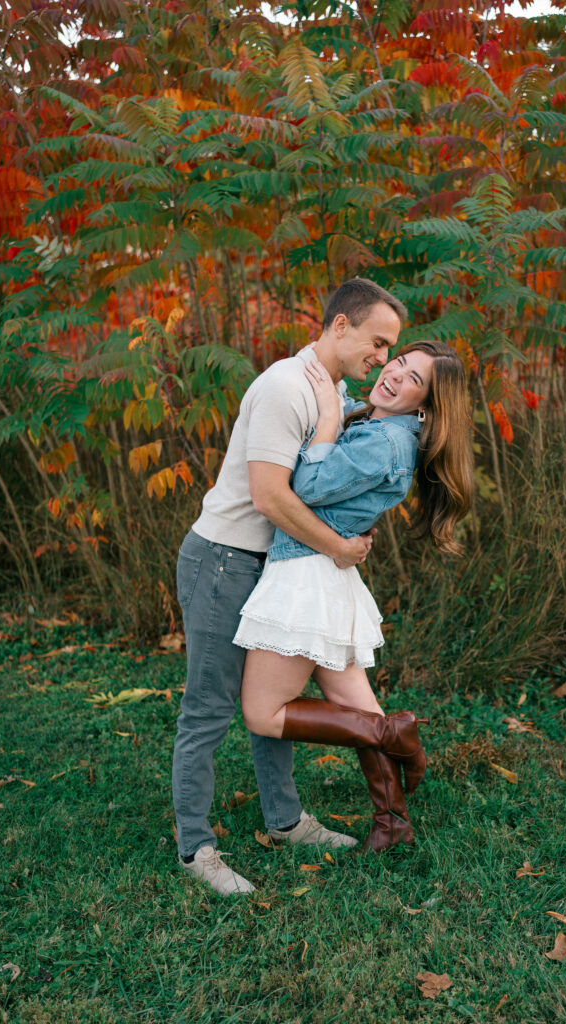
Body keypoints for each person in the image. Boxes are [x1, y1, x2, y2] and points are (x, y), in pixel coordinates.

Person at [173, 278, 407, 896]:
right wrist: (339, 549)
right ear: (340, 327)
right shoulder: (284, 386)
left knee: (268, 706)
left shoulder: (332, 389)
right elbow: (270, 494)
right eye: (378, 343)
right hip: (225, 560)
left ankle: (285, 822)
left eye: (391, 349)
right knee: (210, 708)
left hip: (272, 568)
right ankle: (196, 849)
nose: (382, 358)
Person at [236, 341, 473, 851]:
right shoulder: (373, 420)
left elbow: (307, 483)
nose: (393, 373)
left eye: (413, 379)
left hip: (305, 576)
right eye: (398, 362)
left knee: (261, 712)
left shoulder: (386, 442)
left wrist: (325, 419)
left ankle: (393, 733)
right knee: (356, 704)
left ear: (426, 405)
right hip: (325, 574)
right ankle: (393, 822)